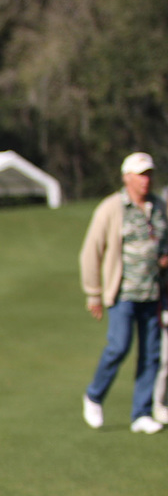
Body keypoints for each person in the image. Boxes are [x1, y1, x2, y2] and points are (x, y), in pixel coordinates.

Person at [80, 151, 167, 432]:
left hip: (153, 293)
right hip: (122, 293)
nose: (146, 180)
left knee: (151, 355)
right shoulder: (112, 207)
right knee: (119, 346)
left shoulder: (159, 206)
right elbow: (91, 251)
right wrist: (93, 293)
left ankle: (141, 413)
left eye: (149, 174)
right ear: (127, 177)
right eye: (141, 174)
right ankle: (94, 395)